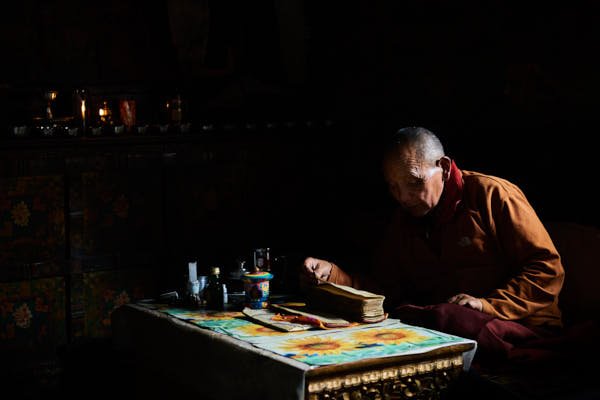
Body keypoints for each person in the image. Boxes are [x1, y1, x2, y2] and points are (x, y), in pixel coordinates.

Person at [302, 126, 565, 363]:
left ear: (445, 168)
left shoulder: (492, 195)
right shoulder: (404, 220)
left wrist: (487, 305)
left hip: (520, 327)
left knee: (444, 317)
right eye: (394, 187)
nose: (404, 197)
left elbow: (547, 269)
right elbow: (388, 288)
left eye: (414, 182)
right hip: (449, 328)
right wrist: (335, 275)